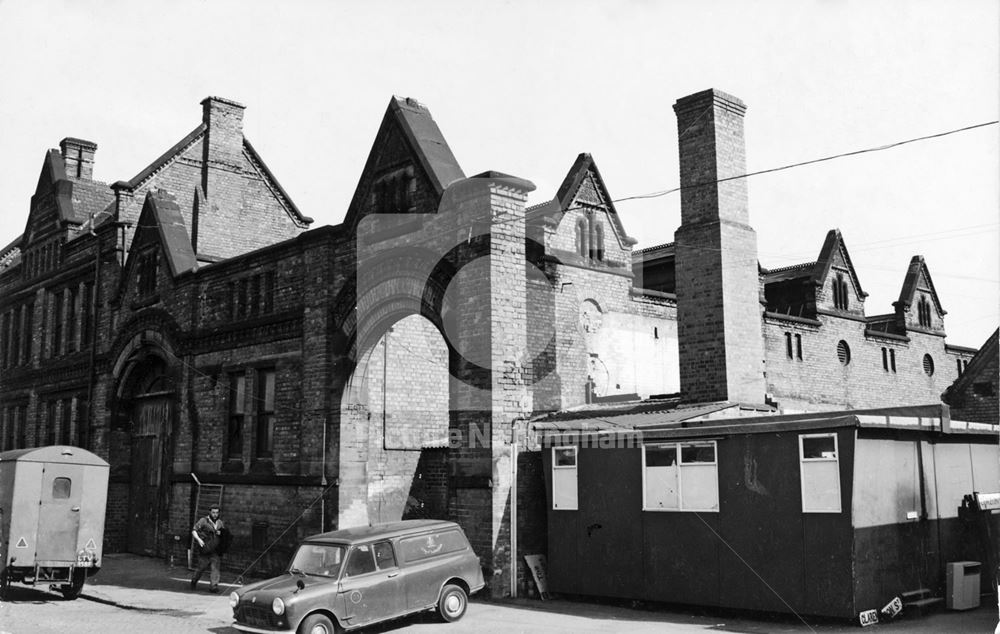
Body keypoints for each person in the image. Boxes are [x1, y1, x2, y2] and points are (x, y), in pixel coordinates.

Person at [190, 505, 226, 593]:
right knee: (201, 567)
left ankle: (213, 586)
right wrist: (198, 540)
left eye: (217, 512)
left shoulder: (220, 523)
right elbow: (194, 530)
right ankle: (194, 580)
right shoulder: (203, 521)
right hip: (205, 548)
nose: (215, 514)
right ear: (210, 512)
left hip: (215, 549)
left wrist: (220, 533)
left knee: (215, 568)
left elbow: (224, 535)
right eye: (213, 512)